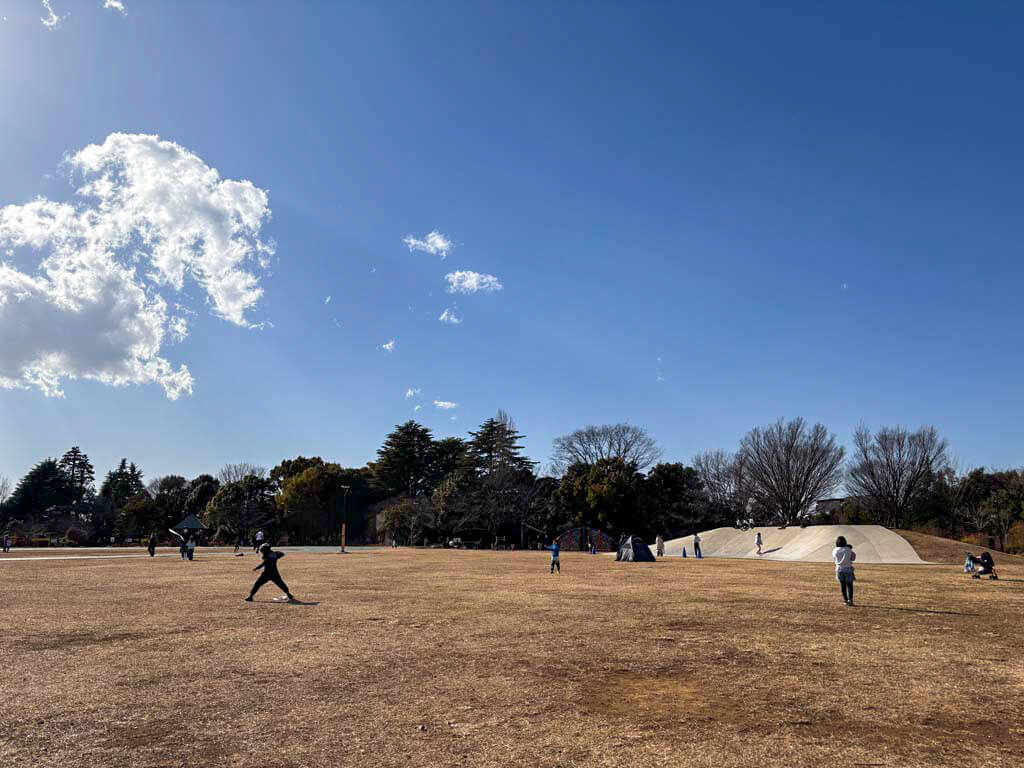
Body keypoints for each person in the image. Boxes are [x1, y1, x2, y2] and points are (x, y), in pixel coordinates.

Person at [833, 535, 856, 606]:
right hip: (848, 568)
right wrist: (849, 549)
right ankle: (850, 600)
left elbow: (834, 558)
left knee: (842, 585)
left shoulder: (835, 550)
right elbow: (853, 558)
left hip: (839, 569)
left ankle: (845, 600)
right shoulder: (848, 549)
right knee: (849, 585)